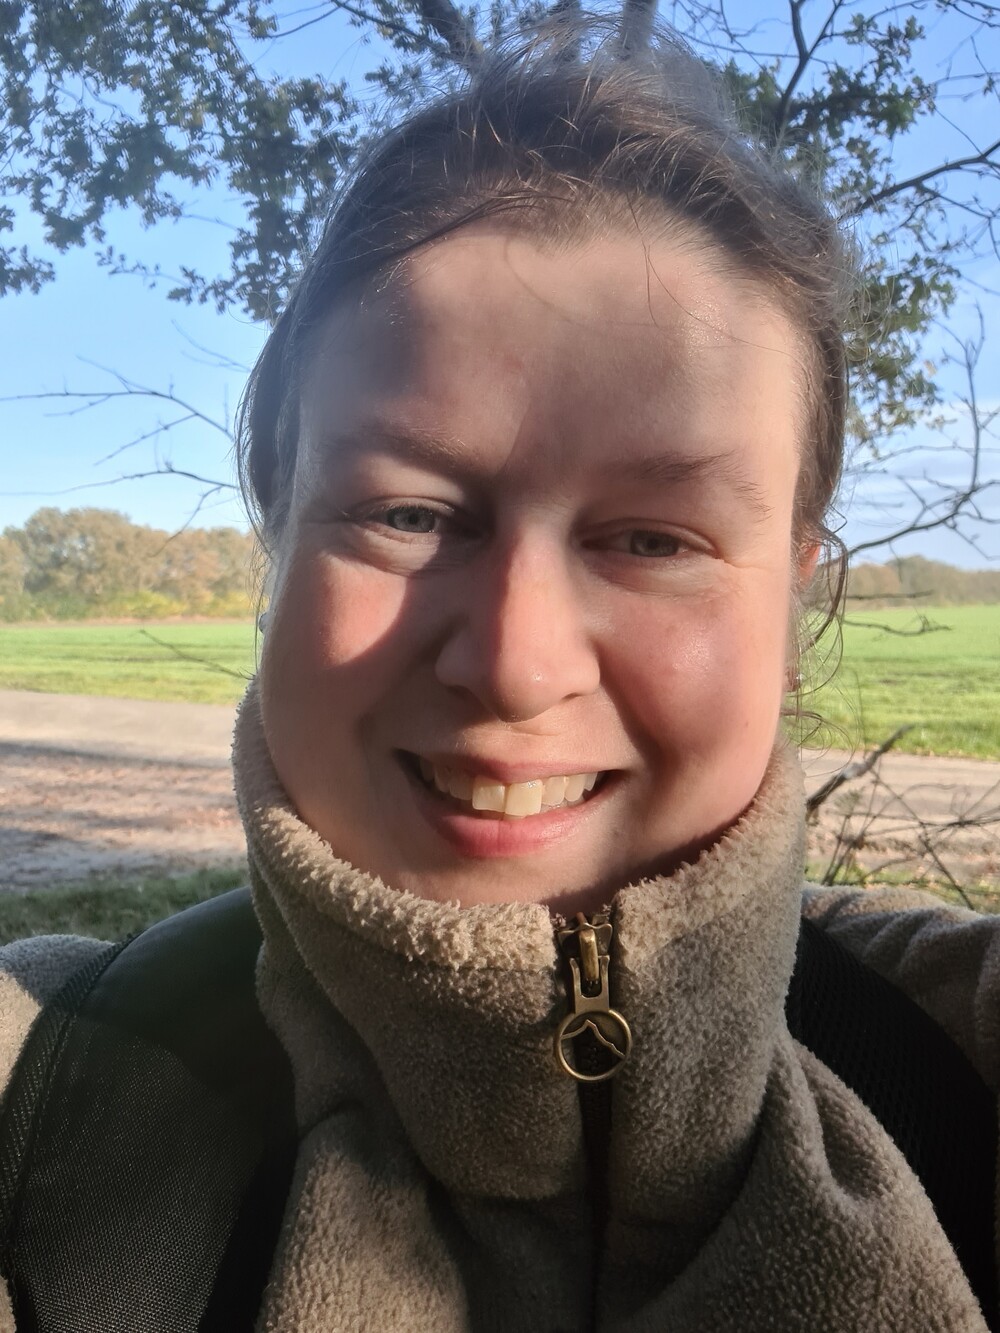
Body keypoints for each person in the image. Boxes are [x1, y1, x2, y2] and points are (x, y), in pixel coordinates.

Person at [0, 16, 996, 1331]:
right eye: (408, 514)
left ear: (793, 590)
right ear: (274, 532)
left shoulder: (955, 1039)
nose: (517, 667)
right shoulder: (43, 1090)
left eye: (653, 540)